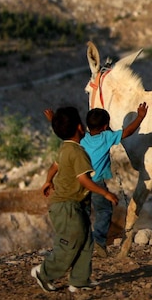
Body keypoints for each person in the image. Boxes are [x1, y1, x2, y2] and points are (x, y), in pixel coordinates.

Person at [42, 103, 148, 258]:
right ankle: (98, 240)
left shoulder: (81, 138)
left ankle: (83, 243)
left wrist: (53, 119)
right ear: (105, 126)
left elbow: (65, 134)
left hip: (79, 184)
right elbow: (128, 132)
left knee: (83, 214)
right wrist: (140, 117)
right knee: (104, 211)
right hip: (96, 183)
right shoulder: (106, 137)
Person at [31, 106, 118, 293]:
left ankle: (79, 280)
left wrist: (48, 181)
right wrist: (105, 193)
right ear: (80, 127)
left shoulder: (64, 148)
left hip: (73, 206)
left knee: (86, 241)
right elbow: (84, 180)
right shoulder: (78, 153)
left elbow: (54, 166)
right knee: (70, 244)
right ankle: (44, 273)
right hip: (67, 207)